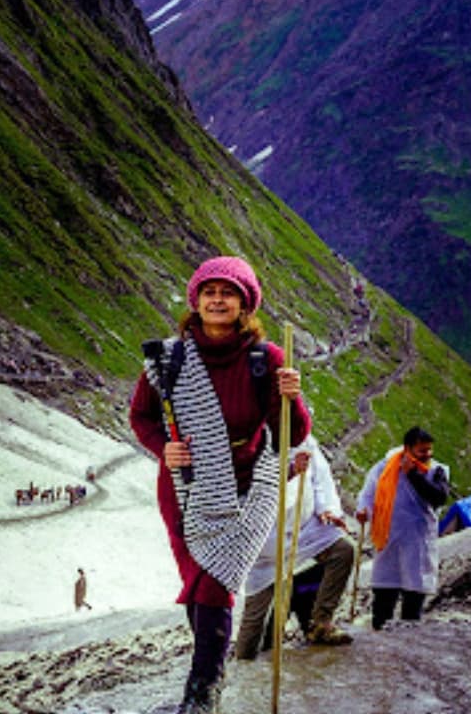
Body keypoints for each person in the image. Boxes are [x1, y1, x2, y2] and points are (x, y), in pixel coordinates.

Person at [131, 256, 311, 714]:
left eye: (228, 292)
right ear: (196, 299)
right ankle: (208, 676)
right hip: (184, 486)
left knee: (217, 581)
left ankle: (203, 692)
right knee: (197, 580)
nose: (217, 299)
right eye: (209, 291)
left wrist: (292, 396)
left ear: (244, 304)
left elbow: (294, 433)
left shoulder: (265, 360)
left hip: (244, 486)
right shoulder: (169, 358)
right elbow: (141, 415)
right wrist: (161, 447)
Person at [233, 440, 355, 658]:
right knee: (256, 613)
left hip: (304, 527)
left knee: (343, 549)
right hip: (265, 536)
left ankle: (320, 622)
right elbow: (247, 485)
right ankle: (242, 663)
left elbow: (320, 480)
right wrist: (288, 471)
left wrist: (327, 509)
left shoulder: (304, 439)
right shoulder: (256, 435)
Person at [356, 426, 451, 629]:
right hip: (389, 538)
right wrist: (363, 510)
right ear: (408, 448)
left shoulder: (436, 470)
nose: (428, 455)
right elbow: (368, 493)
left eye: (429, 450)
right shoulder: (385, 467)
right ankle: (379, 637)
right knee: (384, 593)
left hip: (417, 540)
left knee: (414, 594)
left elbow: (439, 497)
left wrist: (414, 475)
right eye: (422, 450)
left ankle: (408, 640)